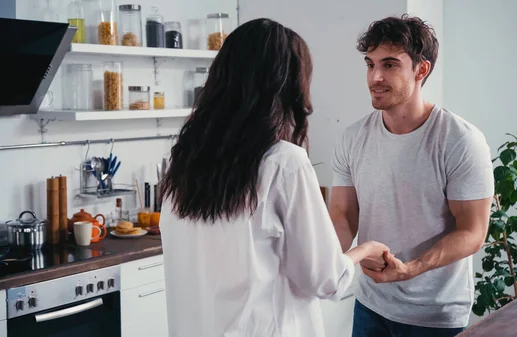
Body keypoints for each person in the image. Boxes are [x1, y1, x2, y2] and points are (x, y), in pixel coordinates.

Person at [158, 18, 390, 337]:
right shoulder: (284, 162)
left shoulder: (184, 161)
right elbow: (323, 279)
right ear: (289, 86)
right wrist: (365, 249)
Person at [329, 15, 494, 337]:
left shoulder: (460, 140)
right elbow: (343, 214)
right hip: (371, 302)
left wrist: (411, 269)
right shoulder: (352, 137)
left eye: (390, 65)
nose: (375, 77)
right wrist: (330, 265)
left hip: (434, 314)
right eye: (370, 64)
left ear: (421, 70)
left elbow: (473, 231)